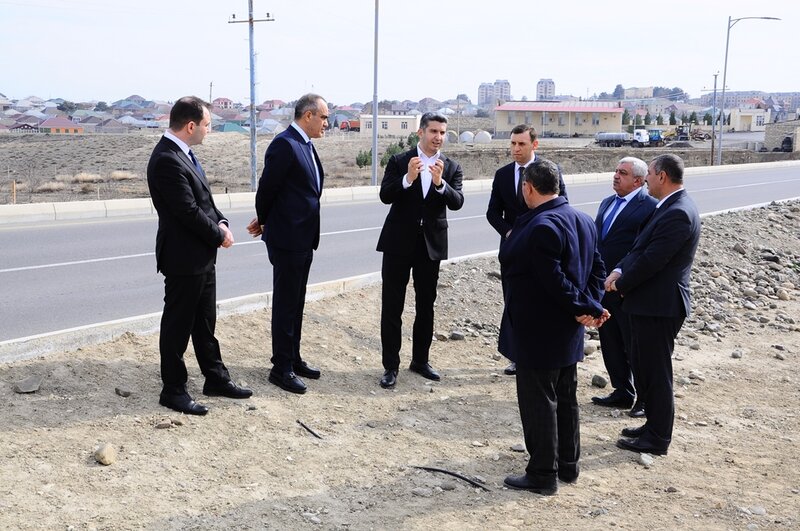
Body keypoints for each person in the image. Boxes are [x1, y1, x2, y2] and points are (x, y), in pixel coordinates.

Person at [499, 158, 607, 495]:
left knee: (539, 402)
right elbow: (598, 272)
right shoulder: (582, 219)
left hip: (539, 330)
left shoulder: (541, 225)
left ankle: (543, 473)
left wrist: (584, 308)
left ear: (528, 187)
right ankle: (568, 465)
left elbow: (554, 282)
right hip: (567, 330)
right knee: (566, 398)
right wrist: (588, 307)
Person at [147, 96, 252, 416]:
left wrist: (220, 220)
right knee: (178, 326)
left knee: (205, 323)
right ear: (190, 126)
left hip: (201, 256)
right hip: (183, 257)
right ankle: (173, 389)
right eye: (207, 125)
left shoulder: (185, 154)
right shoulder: (166, 159)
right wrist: (219, 234)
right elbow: (187, 211)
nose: (209, 130)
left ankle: (215, 378)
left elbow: (204, 200)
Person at [605, 154, 701, 456]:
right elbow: (639, 248)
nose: (646, 180)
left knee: (658, 374)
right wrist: (620, 269)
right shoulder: (667, 207)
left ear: (662, 176)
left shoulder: (679, 212)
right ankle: (651, 426)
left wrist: (621, 283)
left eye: (651, 174)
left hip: (660, 306)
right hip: (647, 304)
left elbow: (653, 260)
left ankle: (658, 437)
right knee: (646, 368)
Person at [376, 112, 464, 388]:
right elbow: (385, 195)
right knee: (393, 306)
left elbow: (458, 202)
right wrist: (407, 179)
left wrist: (440, 184)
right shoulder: (400, 161)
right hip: (398, 243)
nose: (438, 137)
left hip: (431, 246)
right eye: (433, 132)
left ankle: (421, 361)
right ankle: (391, 366)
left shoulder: (451, 166)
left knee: (426, 306)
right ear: (421, 133)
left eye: (442, 133)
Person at [247, 94, 328, 395]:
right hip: (288, 238)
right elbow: (266, 190)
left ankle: (293, 358)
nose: (326, 123)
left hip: (304, 237)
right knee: (285, 303)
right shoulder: (285, 144)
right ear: (307, 116)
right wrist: (265, 220)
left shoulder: (305, 145)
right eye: (323, 117)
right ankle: (280, 368)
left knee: (296, 301)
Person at [486, 124, 567, 376]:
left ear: (534, 144)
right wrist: (509, 233)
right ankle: (515, 355)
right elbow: (492, 213)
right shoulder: (502, 175)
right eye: (512, 143)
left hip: (543, 248)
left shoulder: (549, 171)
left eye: (521, 144)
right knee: (513, 302)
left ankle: (543, 353)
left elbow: (561, 204)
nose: (516, 149)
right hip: (512, 250)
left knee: (541, 300)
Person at [591, 157, 656, 418]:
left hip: (628, 286)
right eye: (616, 171)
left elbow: (642, 249)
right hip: (602, 285)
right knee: (610, 340)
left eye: (623, 173)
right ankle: (622, 391)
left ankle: (644, 398)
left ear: (638, 181)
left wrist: (623, 276)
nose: (616, 176)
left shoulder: (649, 206)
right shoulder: (607, 202)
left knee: (634, 345)